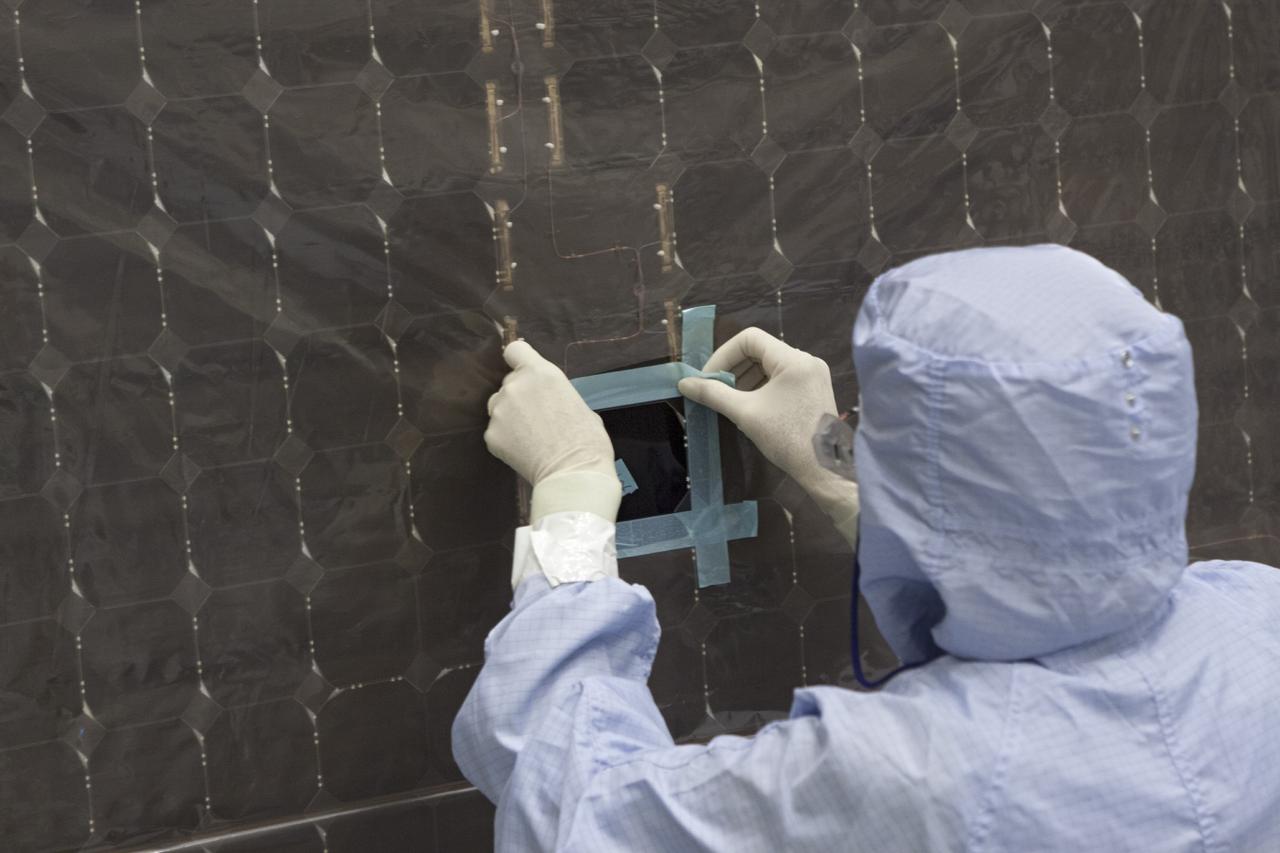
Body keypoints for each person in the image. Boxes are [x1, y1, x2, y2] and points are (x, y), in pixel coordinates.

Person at [452, 244, 1280, 851]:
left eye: (869, 427)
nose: (847, 433)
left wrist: (569, 492)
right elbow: (1054, 561)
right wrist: (847, 478)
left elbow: (578, 817)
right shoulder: (1257, 616)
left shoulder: (914, 774)